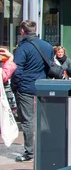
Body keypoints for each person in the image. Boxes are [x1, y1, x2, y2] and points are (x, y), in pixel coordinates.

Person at [12, 20, 54, 162]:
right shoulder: (47, 46)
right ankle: (46, 148)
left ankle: (29, 152)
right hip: (43, 86)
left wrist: (15, 86)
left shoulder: (22, 48)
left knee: (27, 120)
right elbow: (50, 67)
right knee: (44, 119)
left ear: (23, 31)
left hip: (26, 87)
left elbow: (17, 70)